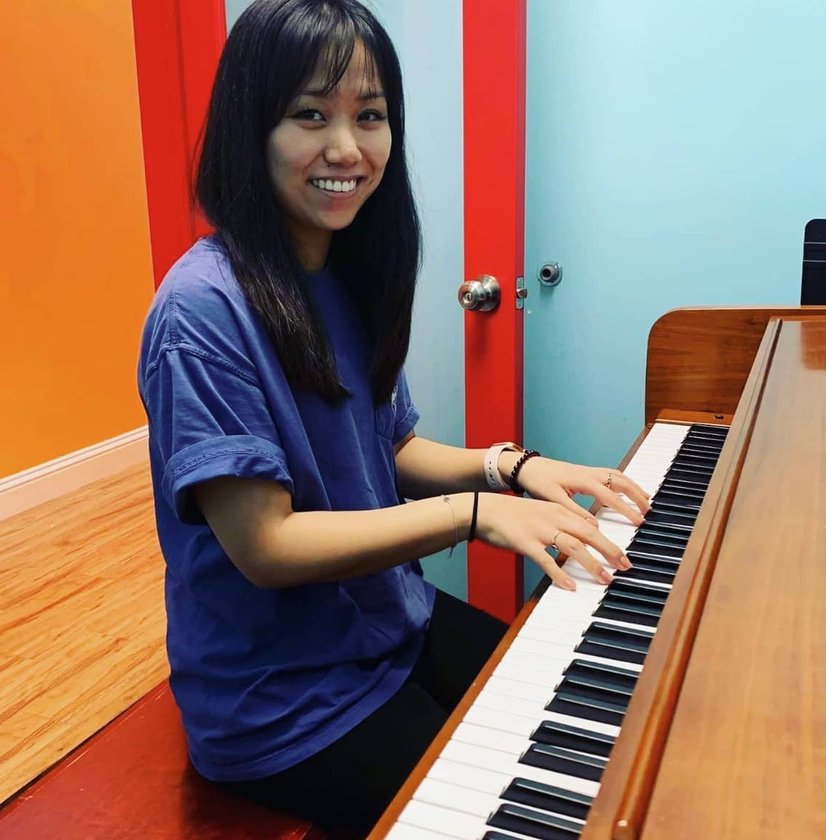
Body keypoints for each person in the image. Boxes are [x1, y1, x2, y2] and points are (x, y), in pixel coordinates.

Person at [137, 0, 650, 833]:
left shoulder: (344, 270)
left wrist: (511, 467)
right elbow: (265, 547)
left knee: (594, 714)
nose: (347, 148)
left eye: (369, 116)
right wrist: (476, 517)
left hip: (382, 618)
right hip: (281, 702)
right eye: (311, 114)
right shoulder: (201, 310)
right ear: (250, 127)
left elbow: (393, 444)